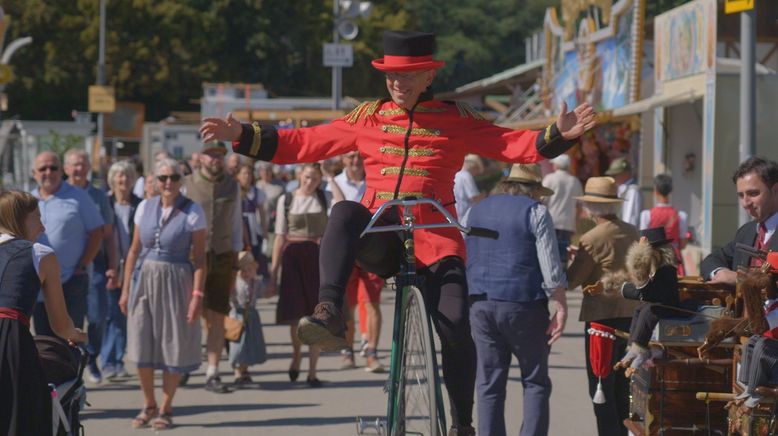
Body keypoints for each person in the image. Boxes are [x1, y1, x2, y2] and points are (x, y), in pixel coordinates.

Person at [201, 30, 596, 435]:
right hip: (382, 234)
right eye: (391, 76)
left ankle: (463, 423)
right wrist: (242, 136)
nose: (397, 84)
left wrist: (558, 135)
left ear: (428, 77)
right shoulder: (367, 117)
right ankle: (329, 311)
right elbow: (306, 143)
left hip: (438, 240)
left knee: (456, 328)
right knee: (343, 211)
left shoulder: (456, 119)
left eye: (407, 76)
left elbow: (513, 145)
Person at [466, 164, 568, 436]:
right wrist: (560, 304)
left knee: (489, 384)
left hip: (481, 301)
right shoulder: (535, 212)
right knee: (535, 381)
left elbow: (468, 253)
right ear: (533, 190)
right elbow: (550, 266)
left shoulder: (475, 210)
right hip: (522, 302)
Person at [119, 158, 205, 430]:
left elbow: (201, 259)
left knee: (173, 343)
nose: (169, 183)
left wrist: (196, 295)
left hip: (177, 281)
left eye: (174, 178)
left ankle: (166, 408)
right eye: (163, 178)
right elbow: (133, 250)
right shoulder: (144, 207)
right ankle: (149, 403)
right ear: (155, 180)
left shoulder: (193, 212)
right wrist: (125, 289)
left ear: (181, 181)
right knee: (141, 339)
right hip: (144, 280)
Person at [0, 190, 87, 436]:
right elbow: (60, 325)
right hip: (10, 341)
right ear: (18, 219)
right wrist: (78, 335)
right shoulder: (40, 254)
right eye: (36, 217)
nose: (42, 225)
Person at [567, 176, 640, 436]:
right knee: (624, 387)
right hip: (631, 317)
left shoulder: (591, 238)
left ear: (590, 207)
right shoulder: (633, 231)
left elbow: (572, 280)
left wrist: (573, 259)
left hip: (602, 321)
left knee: (600, 388)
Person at [270, 163, 340, 387]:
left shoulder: (324, 197)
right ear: (300, 175)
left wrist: (330, 178)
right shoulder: (287, 200)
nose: (310, 182)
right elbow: (280, 237)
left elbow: (341, 202)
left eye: (315, 179)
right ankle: (297, 355)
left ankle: (312, 371)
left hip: (317, 257)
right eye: (307, 177)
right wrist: (273, 272)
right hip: (292, 258)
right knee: (295, 314)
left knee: (317, 314)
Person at [183, 142, 243, 393]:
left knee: (218, 316)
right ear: (200, 156)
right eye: (210, 154)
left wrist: (238, 258)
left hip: (222, 256)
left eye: (220, 154)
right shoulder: (186, 183)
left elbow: (237, 223)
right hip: (192, 257)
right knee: (189, 315)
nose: (215, 158)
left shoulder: (233, 185)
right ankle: (184, 363)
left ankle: (213, 371)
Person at [31, 151, 104, 337]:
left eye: (53, 167)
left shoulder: (78, 197)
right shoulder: (28, 201)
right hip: (39, 283)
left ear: (61, 170)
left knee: (69, 341)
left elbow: (97, 232)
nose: (49, 172)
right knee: (43, 340)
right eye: (43, 168)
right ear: (34, 173)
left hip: (70, 280)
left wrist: (83, 264)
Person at [326, 151, 385, 371]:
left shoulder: (376, 180)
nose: (355, 161)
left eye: (359, 156)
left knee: (371, 302)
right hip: (345, 249)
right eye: (349, 157)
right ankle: (348, 350)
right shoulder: (333, 183)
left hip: (372, 247)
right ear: (342, 159)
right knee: (348, 306)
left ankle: (371, 352)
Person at [63, 148, 118, 384]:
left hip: (94, 262)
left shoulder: (98, 196)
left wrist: (114, 265)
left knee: (97, 316)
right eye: (75, 164)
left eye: (83, 163)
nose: (79, 168)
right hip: (66, 263)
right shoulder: (59, 193)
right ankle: (69, 362)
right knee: (69, 319)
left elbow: (109, 234)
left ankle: (92, 356)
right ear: (66, 168)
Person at [610, 227, 681, 375]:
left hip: (669, 306)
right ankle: (632, 348)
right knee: (639, 310)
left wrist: (640, 255)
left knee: (649, 311)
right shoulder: (657, 267)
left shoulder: (667, 269)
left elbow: (650, 292)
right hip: (659, 303)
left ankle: (639, 349)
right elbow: (643, 288)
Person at [701, 157, 778, 286]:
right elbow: (712, 260)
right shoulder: (745, 232)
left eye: (753, 194)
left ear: (775, 190)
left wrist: (740, 278)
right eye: (741, 195)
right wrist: (720, 272)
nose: (745, 203)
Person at [101, 160, 142, 380]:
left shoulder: (140, 204)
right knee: (110, 315)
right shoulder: (104, 202)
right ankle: (108, 362)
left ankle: (118, 360)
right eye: (119, 175)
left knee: (125, 315)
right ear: (112, 179)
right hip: (111, 267)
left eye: (127, 175)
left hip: (133, 268)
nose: (123, 180)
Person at [228, 251, 268, 388]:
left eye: (249, 269)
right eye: (242, 270)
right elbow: (230, 296)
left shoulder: (256, 282)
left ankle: (245, 370)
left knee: (249, 344)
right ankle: (237, 371)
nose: (246, 272)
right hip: (237, 316)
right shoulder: (234, 283)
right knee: (237, 345)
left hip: (251, 316)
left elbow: (264, 293)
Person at [639, 174, 688, 275]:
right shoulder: (681, 216)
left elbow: (643, 241)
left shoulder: (646, 215)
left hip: (653, 260)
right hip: (674, 259)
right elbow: (683, 244)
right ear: (671, 190)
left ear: (655, 190)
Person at [542, 153, 583, 262]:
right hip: (568, 224)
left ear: (556, 165)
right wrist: (576, 224)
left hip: (550, 222)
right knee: (563, 258)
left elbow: (541, 200)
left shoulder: (549, 178)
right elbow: (579, 206)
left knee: (548, 256)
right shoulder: (575, 181)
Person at [236, 163, 267, 271]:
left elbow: (262, 213)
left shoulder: (257, 192)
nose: (247, 176)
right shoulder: (235, 191)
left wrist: (265, 231)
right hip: (238, 227)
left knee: (254, 255)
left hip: (253, 227)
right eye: (244, 173)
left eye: (249, 173)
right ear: (238, 175)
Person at [605, 156, 641, 227]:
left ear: (625, 173)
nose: (614, 178)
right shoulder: (622, 189)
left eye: (615, 175)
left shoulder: (632, 191)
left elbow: (630, 218)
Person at [454, 154, 485, 227]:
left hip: (454, 213)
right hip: (463, 215)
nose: (476, 174)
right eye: (477, 170)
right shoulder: (466, 175)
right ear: (474, 166)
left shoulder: (456, 174)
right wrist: (484, 196)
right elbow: (474, 198)